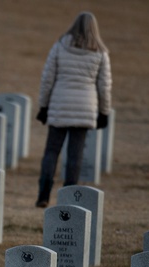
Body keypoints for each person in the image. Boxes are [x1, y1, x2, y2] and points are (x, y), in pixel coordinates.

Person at [35, 11, 112, 207]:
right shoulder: (100, 52)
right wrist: (104, 112)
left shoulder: (60, 46)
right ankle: (69, 198)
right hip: (85, 107)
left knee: (52, 151)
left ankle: (44, 195)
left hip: (60, 104)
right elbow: (104, 86)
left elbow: (47, 78)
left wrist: (43, 106)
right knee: (75, 155)